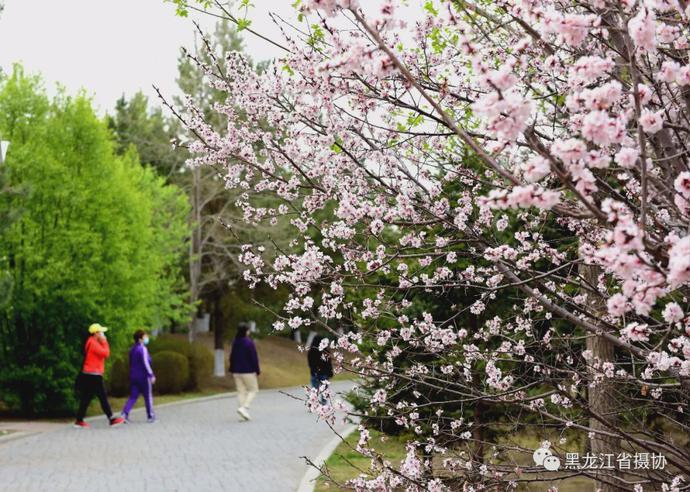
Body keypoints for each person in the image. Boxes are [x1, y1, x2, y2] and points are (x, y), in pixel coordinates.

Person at [74, 323, 125, 428]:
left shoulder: (91, 341)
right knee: (102, 396)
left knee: (86, 397)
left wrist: (101, 341)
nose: (102, 334)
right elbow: (106, 353)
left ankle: (79, 420)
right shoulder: (93, 343)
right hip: (94, 374)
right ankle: (111, 418)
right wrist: (105, 341)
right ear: (96, 333)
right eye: (101, 332)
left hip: (90, 373)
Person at [120, 330, 156, 423]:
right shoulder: (142, 349)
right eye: (144, 337)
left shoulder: (132, 349)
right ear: (140, 339)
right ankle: (150, 416)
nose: (146, 338)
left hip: (134, 376)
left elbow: (131, 363)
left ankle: (124, 413)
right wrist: (151, 375)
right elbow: (146, 363)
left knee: (133, 396)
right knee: (148, 396)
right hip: (143, 377)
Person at [229, 322, 260, 421]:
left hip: (236, 371)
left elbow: (232, 356)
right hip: (248, 371)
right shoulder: (248, 342)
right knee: (253, 390)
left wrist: (232, 368)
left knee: (241, 392)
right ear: (246, 331)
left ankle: (243, 412)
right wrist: (257, 369)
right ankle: (244, 407)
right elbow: (253, 357)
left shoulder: (235, 341)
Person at [308, 335, 333, 403]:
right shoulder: (325, 351)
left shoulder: (311, 351)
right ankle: (323, 404)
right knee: (324, 390)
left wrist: (314, 370)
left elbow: (310, 363)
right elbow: (329, 363)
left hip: (315, 373)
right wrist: (330, 372)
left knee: (314, 390)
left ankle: (312, 403)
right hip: (324, 373)